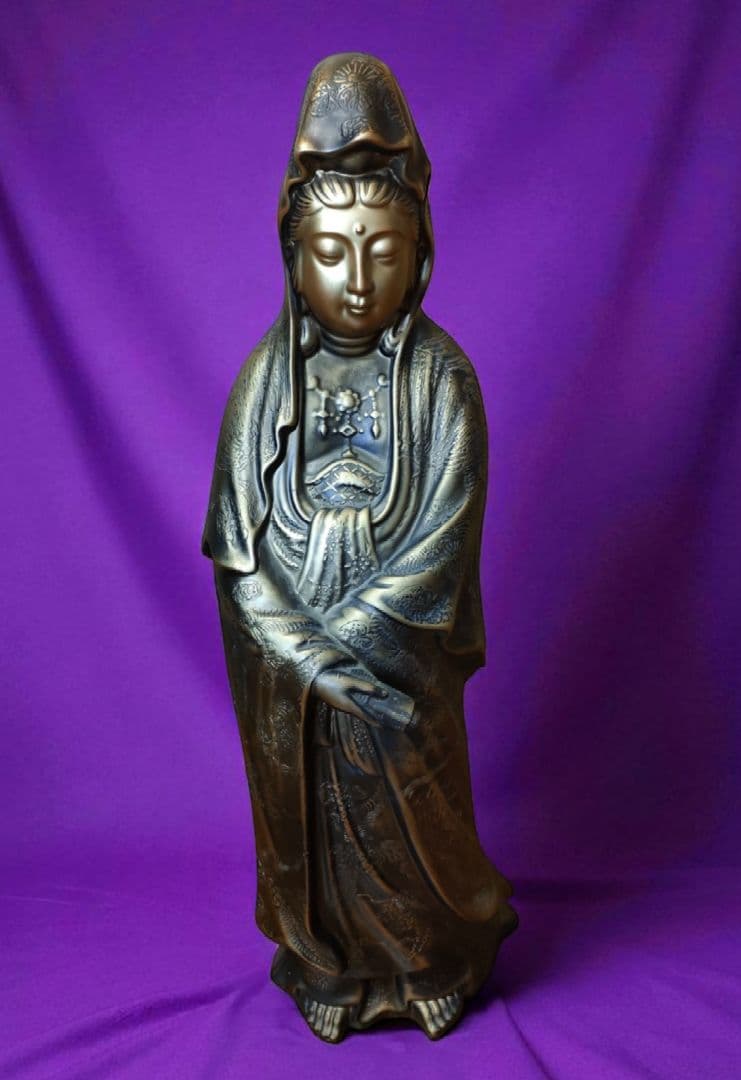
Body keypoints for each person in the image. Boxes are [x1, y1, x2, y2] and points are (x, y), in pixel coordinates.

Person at [202, 52, 517, 1043]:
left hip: (395, 668)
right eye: (330, 252)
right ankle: (325, 960)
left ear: (418, 252)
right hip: (294, 677)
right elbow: (239, 555)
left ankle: (432, 957)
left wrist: (353, 645)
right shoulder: (263, 384)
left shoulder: (441, 380)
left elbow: (442, 539)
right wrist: (305, 657)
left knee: (412, 811)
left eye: (381, 250)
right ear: (291, 255)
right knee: (313, 819)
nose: (355, 279)